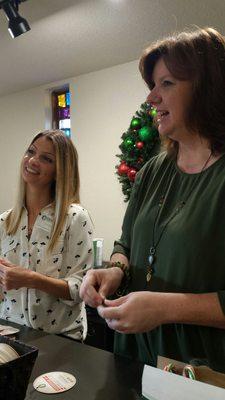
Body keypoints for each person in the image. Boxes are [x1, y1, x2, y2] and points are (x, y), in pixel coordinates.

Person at [80, 27, 225, 372]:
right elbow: (126, 245)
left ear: (208, 87)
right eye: (152, 86)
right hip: (133, 362)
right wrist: (113, 271)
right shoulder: (151, 171)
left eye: (167, 84)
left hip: (201, 376)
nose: (151, 98)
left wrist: (166, 307)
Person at [0, 130, 93, 340]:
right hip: (10, 334)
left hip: (61, 339)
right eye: (31, 151)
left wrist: (32, 279)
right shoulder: (5, 221)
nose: (33, 160)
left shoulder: (76, 218)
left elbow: (81, 289)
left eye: (46, 158)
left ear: (59, 171)